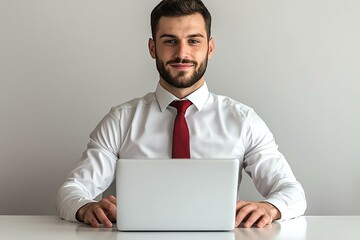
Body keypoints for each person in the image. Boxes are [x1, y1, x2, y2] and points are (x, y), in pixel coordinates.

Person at [56, 0, 306, 229]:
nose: (182, 53)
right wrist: (84, 207)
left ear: (210, 47)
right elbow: (71, 190)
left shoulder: (243, 121)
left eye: (194, 41)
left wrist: (271, 208)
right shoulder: (121, 120)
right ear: (153, 48)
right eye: (170, 41)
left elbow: (292, 192)